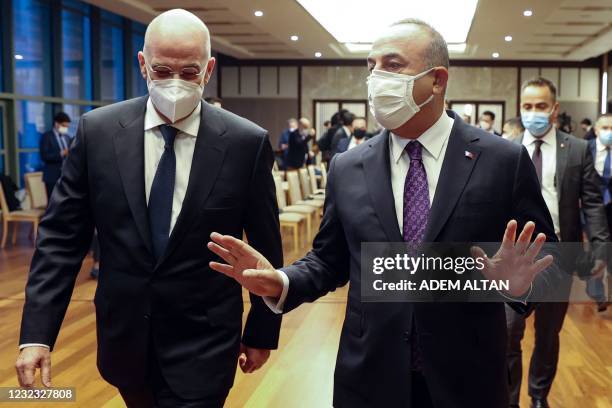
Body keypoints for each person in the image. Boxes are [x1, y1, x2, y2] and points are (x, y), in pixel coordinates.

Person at [207, 18, 562, 407]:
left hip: (467, 375)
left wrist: (515, 286)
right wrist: (281, 281)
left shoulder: (502, 160)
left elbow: (549, 262)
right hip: (370, 374)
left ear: (437, 80)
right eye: (371, 67)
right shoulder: (348, 165)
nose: (376, 78)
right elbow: (329, 260)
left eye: (392, 66)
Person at [16, 9, 282, 408]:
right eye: (162, 70)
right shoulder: (99, 132)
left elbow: (265, 246)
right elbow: (61, 241)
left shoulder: (246, 143)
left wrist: (262, 332)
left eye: (189, 72)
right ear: (143, 64)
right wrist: (37, 333)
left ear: (208, 69)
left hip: (205, 341)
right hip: (125, 340)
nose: (175, 83)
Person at [506, 77, 609, 408]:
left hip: (559, 255)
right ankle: (508, 399)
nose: (533, 113)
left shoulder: (577, 149)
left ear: (554, 109)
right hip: (513, 257)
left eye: (540, 106)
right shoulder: (504, 149)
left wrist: (600, 249)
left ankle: (539, 396)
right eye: (526, 106)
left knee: (548, 335)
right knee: (509, 333)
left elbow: (591, 203)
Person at [586, 113, 612, 311]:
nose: (609, 133)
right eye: (605, 128)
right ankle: (597, 293)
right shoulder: (585, 150)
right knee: (595, 251)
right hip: (591, 211)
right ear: (596, 130)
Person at [40, 112, 72, 196]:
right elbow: (44, 156)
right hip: (52, 176)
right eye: (64, 126)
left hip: (66, 176)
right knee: (53, 202)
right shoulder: (47, 136)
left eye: (67, 126)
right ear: (57, 124)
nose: (65, 128)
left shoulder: (67, 137)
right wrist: (61, 153)